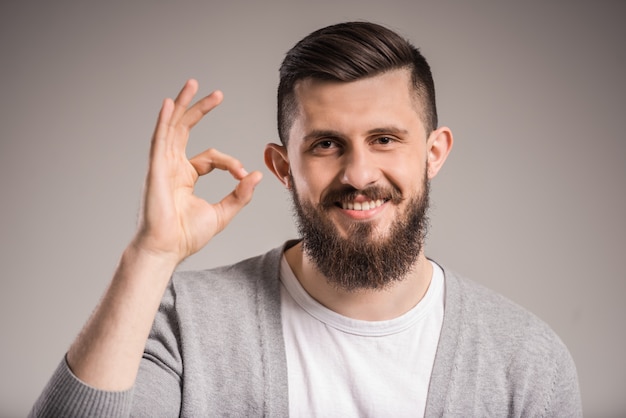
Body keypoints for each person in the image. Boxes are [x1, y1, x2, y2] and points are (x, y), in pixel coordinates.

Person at [30, 22, 582, 417]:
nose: (360, 174)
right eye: (325, 145)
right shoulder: (187, 326)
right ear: (282, 167)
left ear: (433, 153)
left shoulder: (525, 361)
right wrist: (149, 256)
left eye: (385, 139)